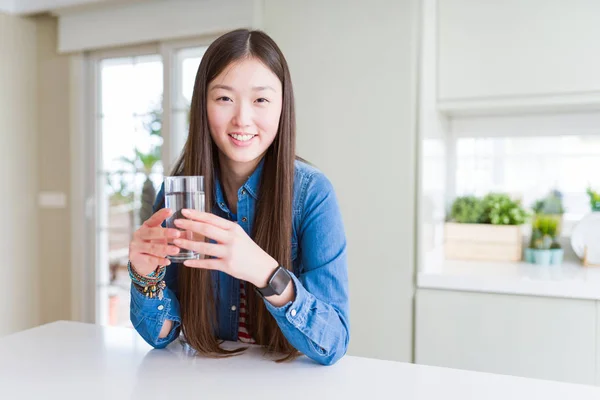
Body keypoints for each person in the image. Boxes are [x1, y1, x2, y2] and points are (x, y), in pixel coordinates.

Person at [128, 29, 349, 366]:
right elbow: (163, 335)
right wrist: (145, 276)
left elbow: (332, 342)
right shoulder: (179, 193)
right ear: (203, 104)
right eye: (224, 98)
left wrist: (267, 274)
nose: (242, 119)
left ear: (281, 106)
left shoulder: (312, 194)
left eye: (261, 99)